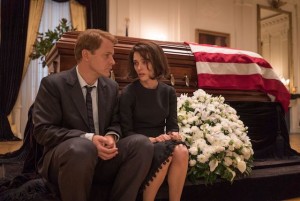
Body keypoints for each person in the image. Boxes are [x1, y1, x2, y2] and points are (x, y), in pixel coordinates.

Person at [32, 29, 154, 201]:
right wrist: (89, 139)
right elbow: (43, 130)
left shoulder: (111, 86)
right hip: (66, 157)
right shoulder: (53, 84)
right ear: (86, 55)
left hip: (103, 157)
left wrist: (111, 136)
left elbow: (116, 121)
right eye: (107, 55)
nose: (113, 61)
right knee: (83, 148)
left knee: (142, 144)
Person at [119, 41, 189, 201]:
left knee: (181, 151)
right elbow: (127, 132)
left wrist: (174, 134)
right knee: (168, 152)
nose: (139, 68)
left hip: (161, 141)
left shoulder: (168, 91)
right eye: (136, 63)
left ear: (156, 61)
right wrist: (153, 140)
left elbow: (172, 126)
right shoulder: (128, 93)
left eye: (145, 62)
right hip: (139, 145)